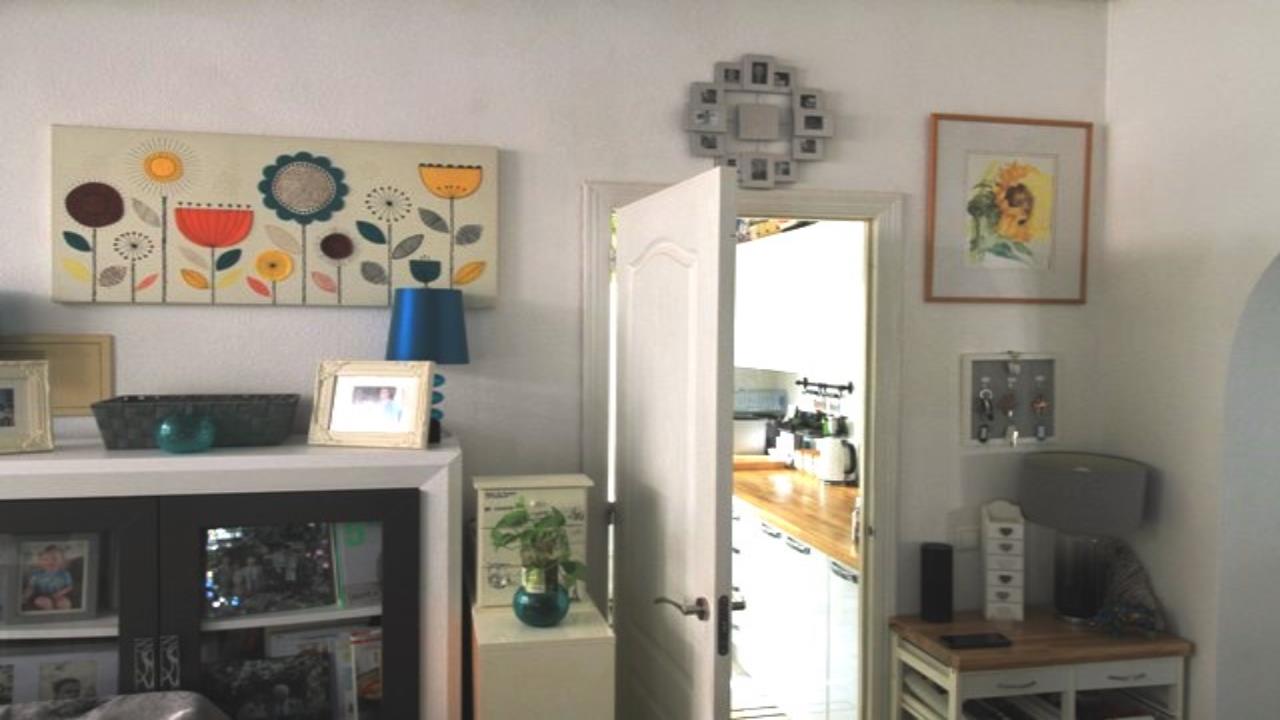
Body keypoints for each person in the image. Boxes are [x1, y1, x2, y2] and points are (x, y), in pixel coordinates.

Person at [24, 545, 75, 611]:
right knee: (42, 602)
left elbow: (69, 587)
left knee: (65, 603)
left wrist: (60, 593)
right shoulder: (36, 574)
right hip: (42, 595)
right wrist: (26, 595)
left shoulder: (64, 574)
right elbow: (31, 587)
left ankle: (63, 616)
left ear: (62, 561)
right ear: (40, 562)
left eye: (54, 559)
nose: (50, 562)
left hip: (60, 595)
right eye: (45, 559)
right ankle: (50, 612)